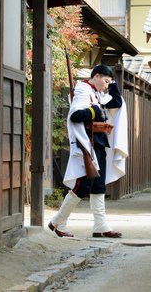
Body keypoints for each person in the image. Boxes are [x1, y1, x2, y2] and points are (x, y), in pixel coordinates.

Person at [48, 64, 128, 238]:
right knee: (83, 186)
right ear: (96, 76)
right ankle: (57, 221)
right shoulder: (83, 90)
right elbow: (75, 116)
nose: (106, 86)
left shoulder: (97, 93)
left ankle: (100, 225)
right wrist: (95, 110)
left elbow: (117, 102)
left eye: (109, 83)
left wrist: (113, 83)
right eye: (105, 81)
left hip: (98, 143)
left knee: (98, 185)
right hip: (87, 143)